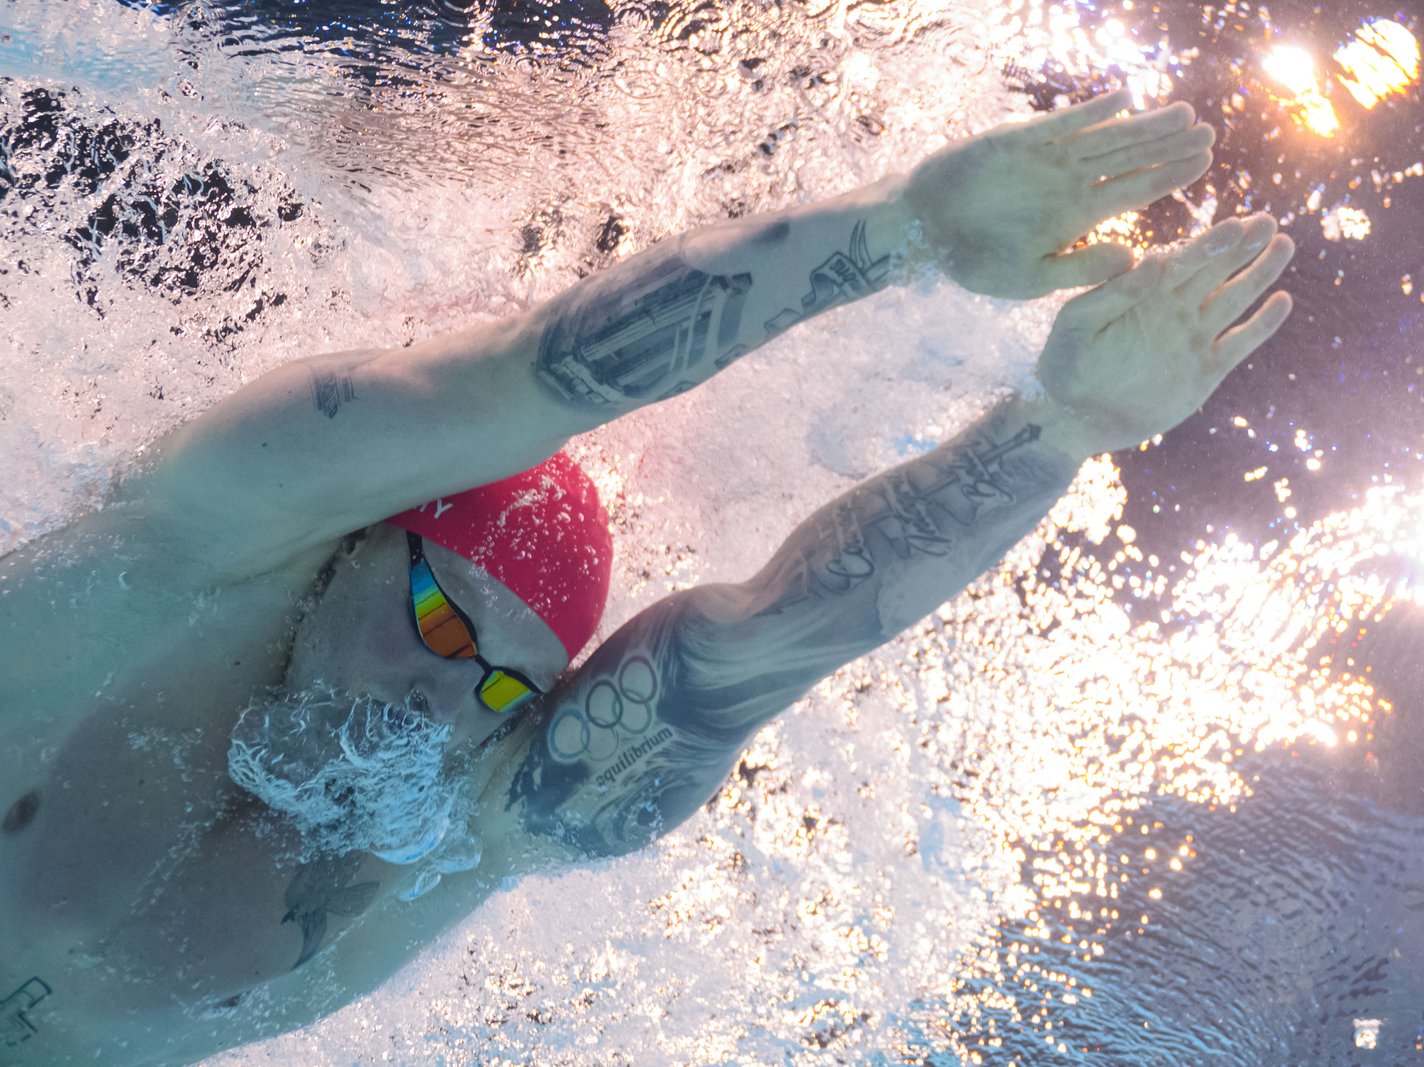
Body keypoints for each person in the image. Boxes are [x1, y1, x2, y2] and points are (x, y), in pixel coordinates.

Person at [0, 88, 1293, 1064]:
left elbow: (770, 644)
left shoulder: (467, 825)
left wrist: (1059, 430)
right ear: (346, 545)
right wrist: (906, 231)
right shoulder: (176, 554)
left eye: (506, 689)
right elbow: (532, 378)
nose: (444, 705)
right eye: (439, 623)